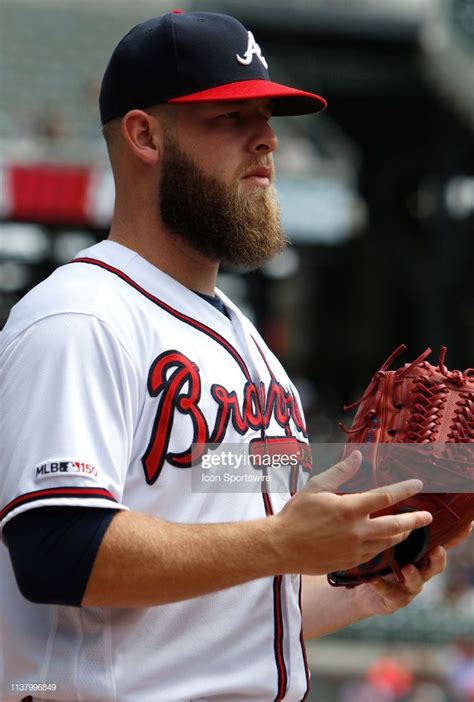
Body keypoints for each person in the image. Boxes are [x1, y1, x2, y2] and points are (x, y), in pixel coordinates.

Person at [0, 10, 469, 702]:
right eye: (230, 118)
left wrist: (360, 590)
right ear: (144, 135)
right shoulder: (79, 318)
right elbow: (56, 551)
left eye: (269, 118)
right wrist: (283, 544)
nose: (267, 141)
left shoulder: (253, 350)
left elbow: (229, 610)